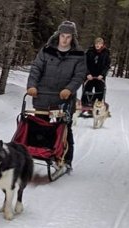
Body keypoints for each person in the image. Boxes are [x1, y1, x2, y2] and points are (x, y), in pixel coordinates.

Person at [26, 20, 86, 171]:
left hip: (64, 98)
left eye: (68, 37)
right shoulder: (46, 50)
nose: (65, 40)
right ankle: (38, 152)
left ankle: (66, 159)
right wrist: (32, 85)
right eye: (63, 36)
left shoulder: (79, 55)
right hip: (43, 95)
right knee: (39, 125)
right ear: (58, 35)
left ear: (73, 38)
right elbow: (36, 68)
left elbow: (79, 76)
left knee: (64, 127)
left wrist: (69, 89)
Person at [80, 37, 111, 117]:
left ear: (102, 45)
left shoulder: (106, 53)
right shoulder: (89, 52)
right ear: (94, 44)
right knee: (87, 91)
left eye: (99, 44)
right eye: (96, 43)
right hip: (89, 75)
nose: (98, 45)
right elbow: (84, 64)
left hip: (100, 76)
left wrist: (102, 74)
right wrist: (87, 74)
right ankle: (84, 108)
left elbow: (107, 66)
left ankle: (97, 109)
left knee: (100, 92)